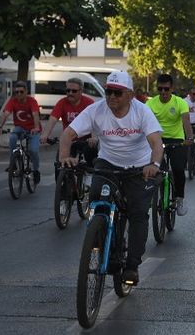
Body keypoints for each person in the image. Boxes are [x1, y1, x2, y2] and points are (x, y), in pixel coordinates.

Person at [58, 70, 163, 285]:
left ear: (130, 95)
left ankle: (132, 265)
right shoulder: (96, 110)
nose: (111, 97)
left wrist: (154, 165)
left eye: (117, 92)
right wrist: (65, 157)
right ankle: (99, 234)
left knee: (138, 213)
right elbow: (68, 134)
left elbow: (156, 143)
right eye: (108, 92)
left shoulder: (142, 112)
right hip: (108, 163)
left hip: (139, 167)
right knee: (97, 196)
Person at [146, 74, 194, 216]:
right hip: (157, 140)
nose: (163, 92)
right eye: (160, 89)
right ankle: (150, 196)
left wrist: (189, 137)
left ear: (172, 88)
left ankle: (179, 199)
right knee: (151, 169)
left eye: (166, 89)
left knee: (178, 169)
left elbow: (186, 122)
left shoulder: (180, 102)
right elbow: (144, 123)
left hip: (177, 141)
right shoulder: (150, 104)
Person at [40, 77, 97, 179]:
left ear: (81, 91)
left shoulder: (89, 103)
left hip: (86, 141)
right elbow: (53, 119)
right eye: (68, 90)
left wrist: (93, 137)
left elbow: (94, 122)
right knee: (60, 164)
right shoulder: (62, 102)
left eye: (74, 91)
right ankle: (61, 186)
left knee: (91, 159)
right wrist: (45, 135)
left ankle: (89, 181)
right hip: (68, 140)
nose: (70, 93)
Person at [0, 81, 42, 184]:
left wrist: (36, 127)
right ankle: (14, 164)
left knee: (33, 150)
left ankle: (36, 170)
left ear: (26, 91)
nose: (19, 94)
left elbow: (35, 115)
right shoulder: (13, 101)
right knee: (12, 137)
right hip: (20, 128)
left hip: (33, 129)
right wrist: (0, 127)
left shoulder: (32, 101)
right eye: (16, 92)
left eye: (21, 92)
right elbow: (6, 113)